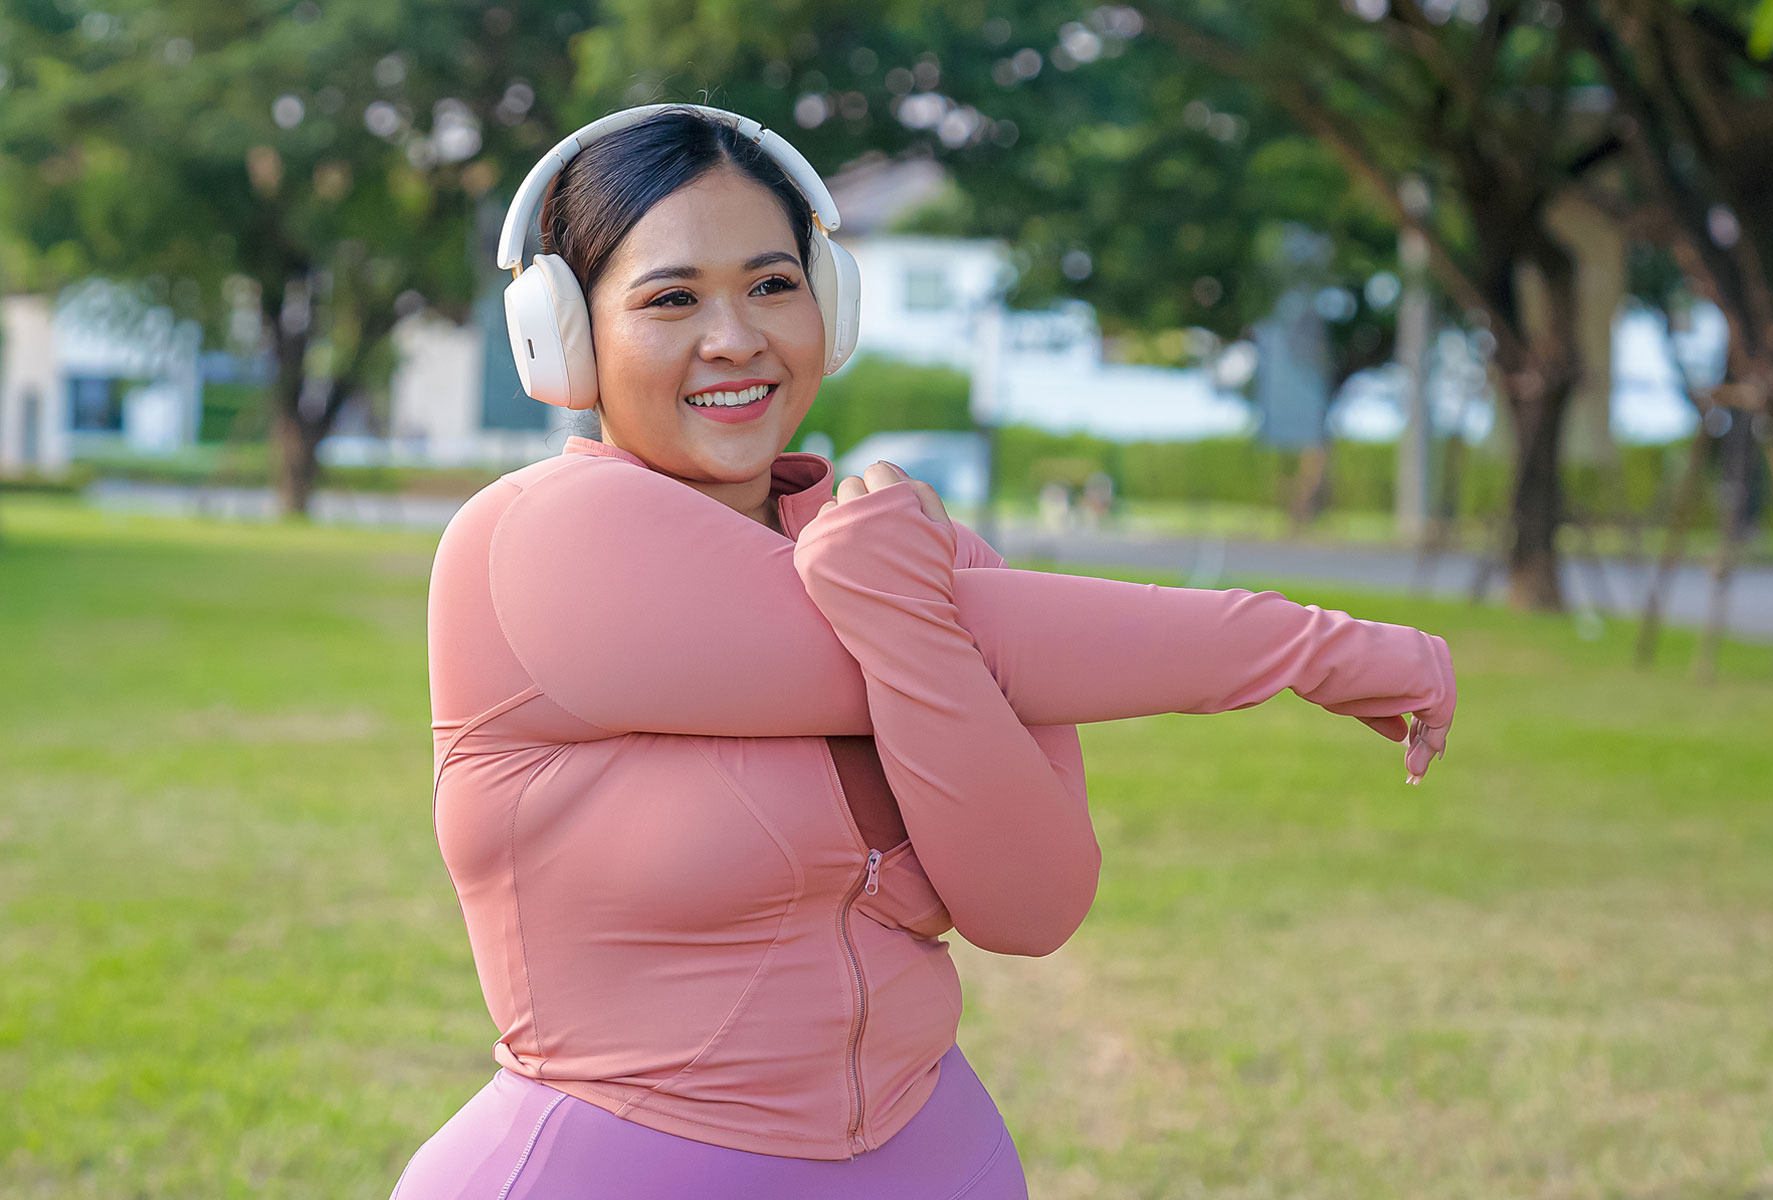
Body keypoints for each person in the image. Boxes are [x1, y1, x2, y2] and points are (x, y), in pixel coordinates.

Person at [390, 104, 1456, 1199]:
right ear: (562, 335)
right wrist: (1310, 647)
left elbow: (1029, 909)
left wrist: (899, 605)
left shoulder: (910, 563)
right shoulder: (541, 540)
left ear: (829, 303)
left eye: (772, 284)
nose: (735, 338)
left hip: (931, 1153)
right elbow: (996, 638)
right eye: (671, 299)